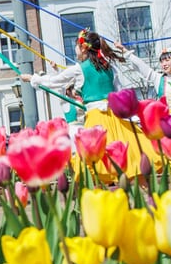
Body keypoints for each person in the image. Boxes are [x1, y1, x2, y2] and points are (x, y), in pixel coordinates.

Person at [27, 29, 157, 176]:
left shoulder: (79, 69)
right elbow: (119, 91)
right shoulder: (109, 66)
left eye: (76, 45)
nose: (75, 49)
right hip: (116, 118)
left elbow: (54, 82)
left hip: (96, 118)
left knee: (94, 158)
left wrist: (33, 78)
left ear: (83, 47)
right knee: (126, 157)